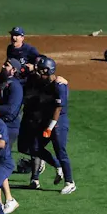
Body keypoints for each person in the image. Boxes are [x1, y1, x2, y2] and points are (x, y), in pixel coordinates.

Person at [27, 57, 76, 194]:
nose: (38, 71)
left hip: (58, 122)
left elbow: (58, 108)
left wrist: (49, 127)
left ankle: (70, 182)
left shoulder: (59, 85)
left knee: (60, 150)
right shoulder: (47, 82)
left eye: (40, 69)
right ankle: (58, 166)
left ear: (47, 70)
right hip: (48, 121)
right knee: (35, 147)